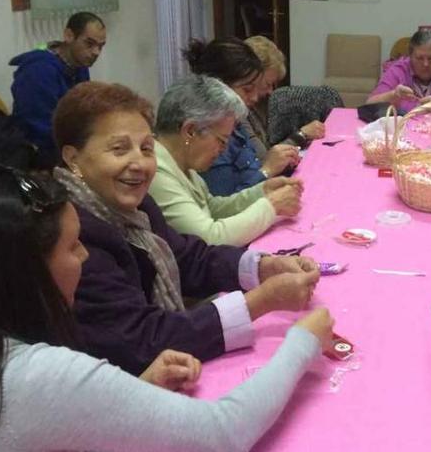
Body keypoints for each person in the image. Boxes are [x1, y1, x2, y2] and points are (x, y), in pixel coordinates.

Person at [0, 165, 335, 451]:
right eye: (73, 247)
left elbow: (189, 256)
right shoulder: (34, 374)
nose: (84, 255)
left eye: (144, 146)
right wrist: (303, 341)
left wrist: (134, 390)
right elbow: (222, 431)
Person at [53, 81, 319, 374]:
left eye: (145, 148)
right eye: (119, 149)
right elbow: (143, 339)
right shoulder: (72, 237)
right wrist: (261, 301)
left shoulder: (134, 207)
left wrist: (264, 267)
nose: (139, 163)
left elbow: (188, 257)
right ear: (73, 158)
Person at [150, 75, 302, 246]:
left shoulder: (182, 163)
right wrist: (271, 206)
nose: (223, 149)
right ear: (190, 131)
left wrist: (262, 192)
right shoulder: (156, 173)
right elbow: (210, 238)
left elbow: (213, 208)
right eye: (221, 140)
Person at [185, 37, 300, 189]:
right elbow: (225, 206)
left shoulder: (235, 122)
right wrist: (267, 171)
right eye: (247, 89)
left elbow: (253, 168)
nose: (254, 97)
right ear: (218, 86)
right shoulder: (206, 135)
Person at [9, 12, 106, 166]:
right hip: (36, 154)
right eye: (89, 43)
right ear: (69, 36)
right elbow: (37, 129)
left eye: (100, 46)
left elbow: (83, 112)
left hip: (65, 146)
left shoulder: (79, 66)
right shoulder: (38, 71)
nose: (96, 52)